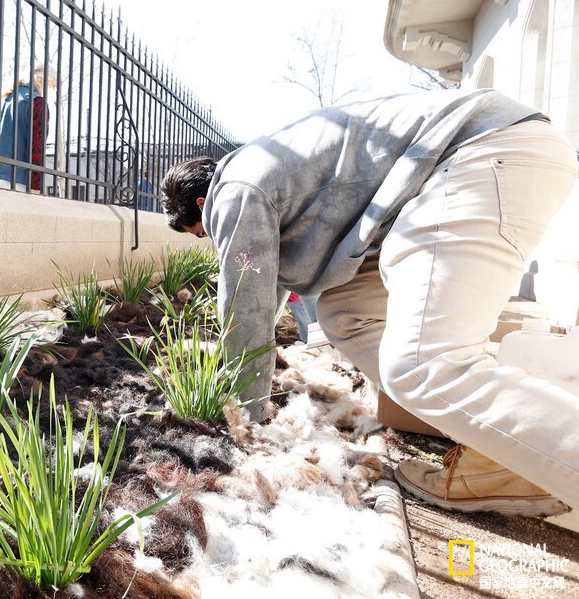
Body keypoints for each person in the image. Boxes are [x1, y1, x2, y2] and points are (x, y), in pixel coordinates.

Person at [161, 88, 578, 518]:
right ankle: (497, 453)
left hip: (482, 151)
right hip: (480, 160)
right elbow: (273, 289)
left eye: (203, 233)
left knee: (423, 366)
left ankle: (534, 455)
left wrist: (241, 414)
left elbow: (245, 305)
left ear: (201, 205)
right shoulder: (264, 169)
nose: (213, 241)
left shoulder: (234, 192)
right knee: (346, 311)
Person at [0, 68, 52, 193]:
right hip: (16, 179)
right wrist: (35, 185)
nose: (53, 91)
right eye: (52, 86)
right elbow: (36, 147)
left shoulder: (10, 98)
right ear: (40, 81)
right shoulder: (37, 102)